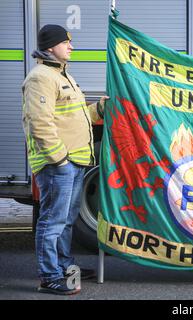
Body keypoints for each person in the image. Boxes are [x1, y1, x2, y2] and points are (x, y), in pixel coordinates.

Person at [22, 24, 109, 295]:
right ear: (51, 47)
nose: (71, 46)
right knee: (52, 221)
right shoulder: (41, 77)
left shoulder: (62, 75)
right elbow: (39, 124)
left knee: (67, 219)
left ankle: (63, 265)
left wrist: (100, 109)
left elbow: (78, 115)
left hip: (75, 162)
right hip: (60, 164)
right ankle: (50, 276)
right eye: (66, 42)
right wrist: (59, 160)